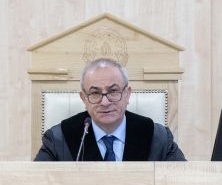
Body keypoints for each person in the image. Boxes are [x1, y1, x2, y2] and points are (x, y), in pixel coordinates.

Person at [33, 58, 185, 161]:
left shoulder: (158, 138)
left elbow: (182, 182)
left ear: (127, 94)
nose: (105, 102)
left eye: (113, 91)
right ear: (84, 98)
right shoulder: (58, 140)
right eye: (95, 93)